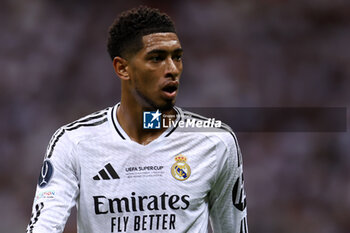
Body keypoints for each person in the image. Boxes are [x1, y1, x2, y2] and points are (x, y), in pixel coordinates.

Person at [26, 6, 248, 233]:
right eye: (157, 58)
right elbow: (44, 227)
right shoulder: (74, 142)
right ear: (122, 68)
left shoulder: (216, 141)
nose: (173, 69)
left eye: (177, 57)